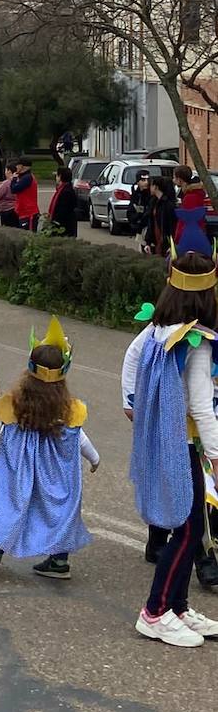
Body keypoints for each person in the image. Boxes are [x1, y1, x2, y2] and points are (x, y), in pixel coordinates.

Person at [125, 253, 218, 646]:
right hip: (181, 444)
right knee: (186, 529)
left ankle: (178, 606)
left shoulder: (158, 328)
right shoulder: (196, 340)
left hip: (162, 440)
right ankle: (155, 610)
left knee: (190, 526)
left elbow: (130, 359)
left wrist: (130, 402)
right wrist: (216, 453)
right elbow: (199, 404)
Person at [0, 318, 98, 579]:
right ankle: (59, 560)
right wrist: (94, 459)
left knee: (12, 505)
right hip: (55, 475)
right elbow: (81, 439)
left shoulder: (14, 406)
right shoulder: (70, 410)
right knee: (59, 509)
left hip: (22, 472)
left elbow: (3, 428)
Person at [145, 177, 176, 256]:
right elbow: (151, 222)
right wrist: (148, 242)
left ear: (156, 187)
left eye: (151, 185)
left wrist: (171, 244)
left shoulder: (168, 205)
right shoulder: (153, 201)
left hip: (165, 241)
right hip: (156, 239)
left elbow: (172, 225)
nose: (149, 188)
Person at [44, 167, 78, 237]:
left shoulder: (66, 191)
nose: (56, 178)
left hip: (64, 226)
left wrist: (54, 221)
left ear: (60, 177)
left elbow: (63, 210)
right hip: (61, 225)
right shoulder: (62, 189)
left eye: (57, 176)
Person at [11, 157, 40, 231]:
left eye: (17, 165)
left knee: (28, 236)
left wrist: (13, 179)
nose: (16, 167)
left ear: (22, 166)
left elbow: (14, 189)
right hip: (23, 212)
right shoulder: (24, 177)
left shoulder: (27, 178)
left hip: (28, 213)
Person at [126, 170, 154, 244]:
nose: (146, 182)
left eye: (148, 180)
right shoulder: (136, 195)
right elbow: (130, 211)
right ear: (138, 182)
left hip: (149, 227)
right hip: (139, 227)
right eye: (143, 180)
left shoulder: (151, 195)